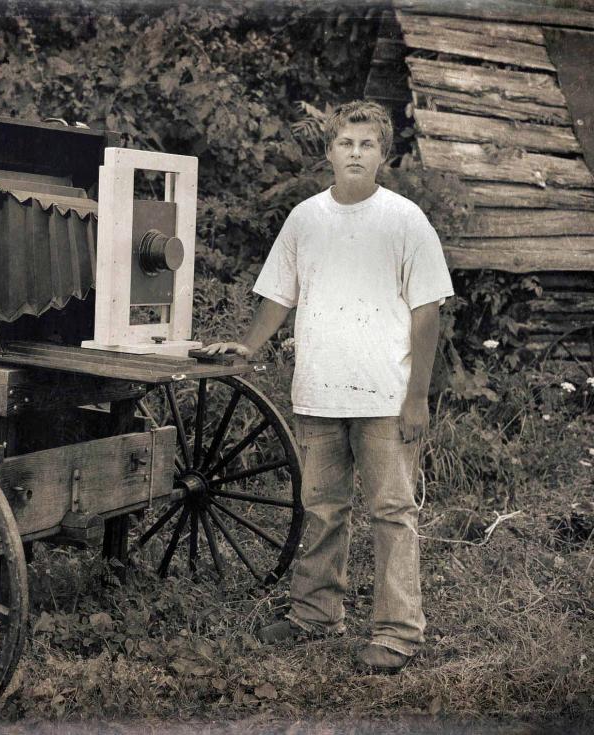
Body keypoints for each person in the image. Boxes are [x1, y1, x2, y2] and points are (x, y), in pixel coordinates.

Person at [201, 100, 453, 672]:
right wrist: (249, 346)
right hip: (318, 392)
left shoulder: (406, 220)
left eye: (367, 145)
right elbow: (278, 298)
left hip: (385, 397)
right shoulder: (305, 219)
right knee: (322, 508)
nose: (356, 153)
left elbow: (428, 313)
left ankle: (397, 631)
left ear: (383, 156)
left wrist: (417, 397)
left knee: (392, 512)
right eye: (346, 143)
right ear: (329, 152)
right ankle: (315, 614)